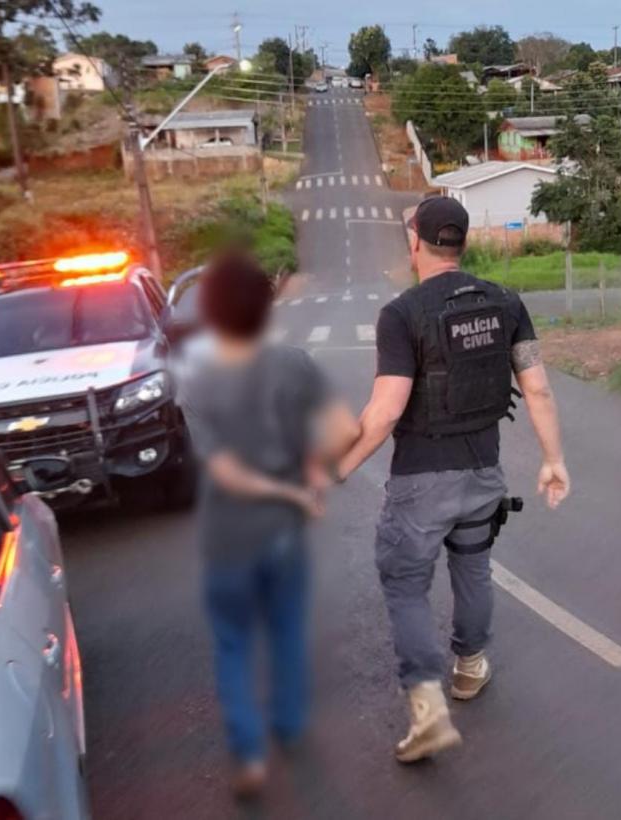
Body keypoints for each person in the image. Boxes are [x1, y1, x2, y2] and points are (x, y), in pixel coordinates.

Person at [331, 196, 570, 763]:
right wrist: (553, 459)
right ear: (462, 242)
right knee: (473, 567)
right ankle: (469, 667)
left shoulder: (402, 314)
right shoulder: (508, 303)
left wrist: (336, 468)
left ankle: (428, 712)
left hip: (420, 481)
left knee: (408, 585)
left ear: (414, 239)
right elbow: (536, 386)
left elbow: (387, 411)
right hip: (484, 472)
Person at [180, 250, 359, 797]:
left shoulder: (200, 376)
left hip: (229, 534)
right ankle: (288, 724)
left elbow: (226, 470)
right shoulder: (295, 363)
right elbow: (345, 430)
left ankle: (250, 757)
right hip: (283, 532)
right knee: (285, 630)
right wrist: (309, 476)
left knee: (233, 644)